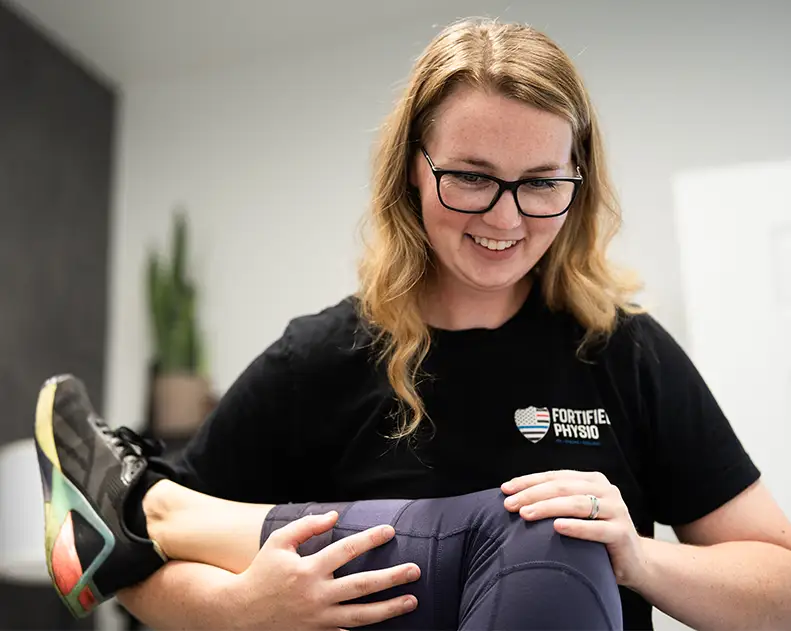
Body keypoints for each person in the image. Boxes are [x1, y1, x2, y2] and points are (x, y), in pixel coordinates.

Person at [33, 16, 791, 631]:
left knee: (555, 528)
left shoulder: (623, 352)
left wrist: (637, 558)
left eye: (540, 183)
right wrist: (240, 609)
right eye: (469, 177)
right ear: (411, 170)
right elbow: (124, 567)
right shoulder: (319, 358)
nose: (505, 216)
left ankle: (147, 497)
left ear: (577, 183)